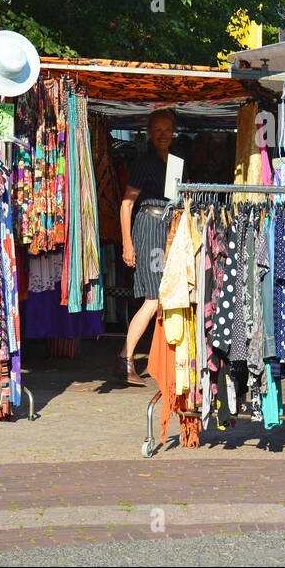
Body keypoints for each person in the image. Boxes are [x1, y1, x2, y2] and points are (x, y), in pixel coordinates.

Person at [117, 108, 184, 386]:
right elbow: (126, 204)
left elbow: (180, 200)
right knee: (153, 297)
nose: (163, 135)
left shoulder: (177, 162)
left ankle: (127, 356)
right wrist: (127, 244)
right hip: (148, 228)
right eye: (158, 130)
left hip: (168, 229)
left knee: (163, 296)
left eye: (167, 129)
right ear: (149, 132)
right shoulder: (142, 162)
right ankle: (126, 360)